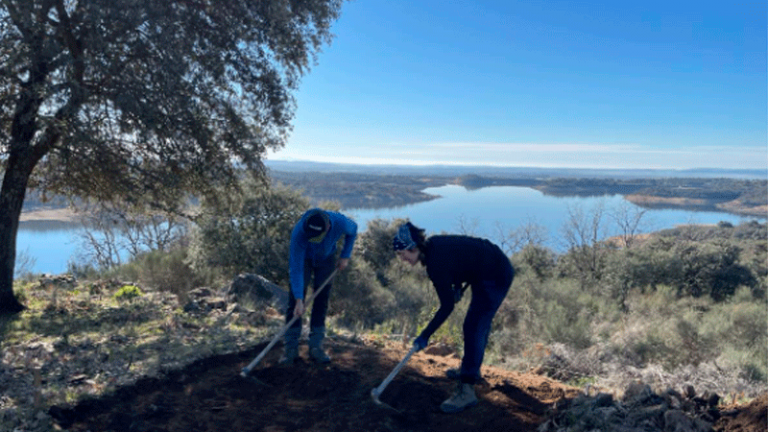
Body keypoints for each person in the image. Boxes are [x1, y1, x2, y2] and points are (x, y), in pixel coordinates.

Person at [392, 221, 514, 413]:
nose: (402, 259)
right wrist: (456, 287)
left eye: (402, 254)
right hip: (488, 268)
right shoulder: (433, 247)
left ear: (413, 247)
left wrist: (425, 334)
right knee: (476, 325)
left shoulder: (434, 263)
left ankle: (467, 391)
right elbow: (459, 263)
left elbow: (447, 306)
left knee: (474, 326)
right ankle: (471, 368)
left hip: (496, 274)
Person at [280, 208, 358, 365]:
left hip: (327, 258)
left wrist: (345, 255)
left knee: (321, 299)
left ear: (328, 227)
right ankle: (290, 349)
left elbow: (354, 229)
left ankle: (316, 347)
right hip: (305, 260)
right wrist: (299, 299)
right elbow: (295, 267)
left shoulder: (340, 222)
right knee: (294, 302)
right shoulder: (300, 232)